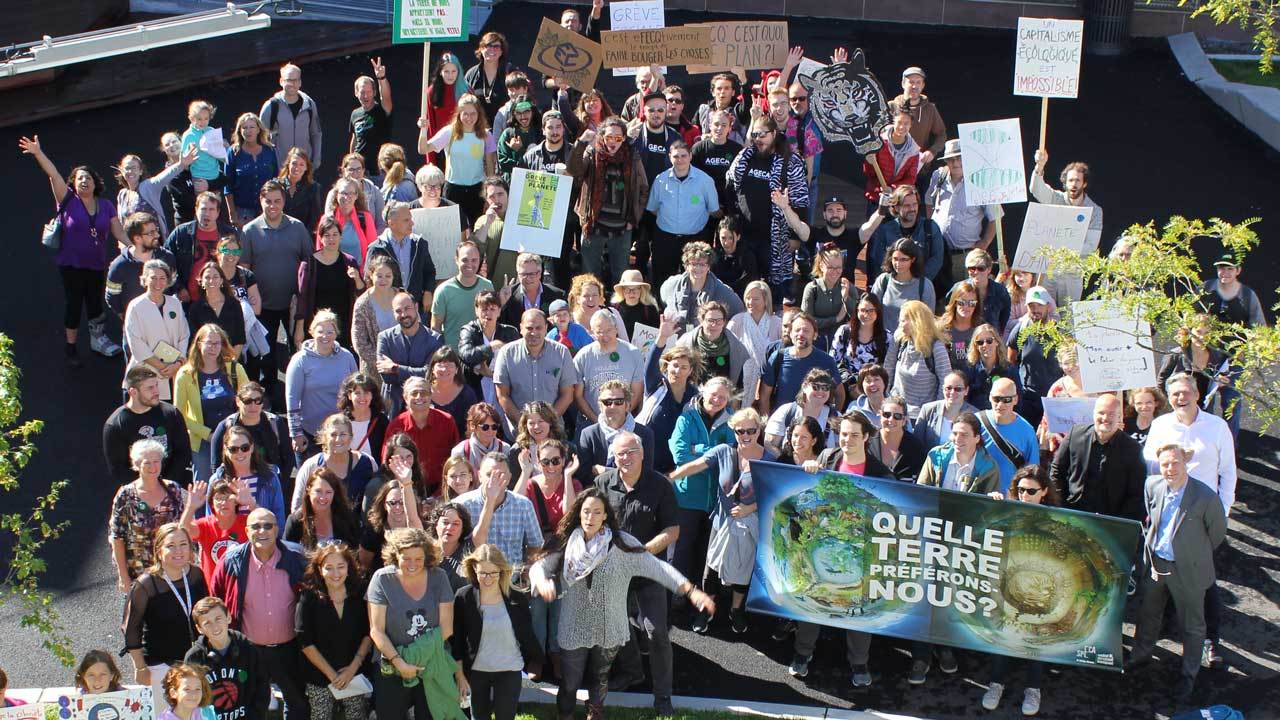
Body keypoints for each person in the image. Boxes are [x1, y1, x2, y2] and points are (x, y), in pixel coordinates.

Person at [532, 484, 710, 718]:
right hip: (574, 626)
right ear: (578, 513)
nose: (590, 517)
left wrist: (691, 591)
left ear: (606, 515)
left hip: (609, 628)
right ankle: (565, 715)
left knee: (599, 678)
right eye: (586, 511)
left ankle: (595, 714)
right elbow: (539, 566)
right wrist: (542, 580)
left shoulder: (622, 544)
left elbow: (658, 568)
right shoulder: (566, 543)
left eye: (597, 512)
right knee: (570, 682)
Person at [790, 413, 886, 682]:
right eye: (844, 433)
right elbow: (808, 490)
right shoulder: (827, 459)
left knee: (859, 608)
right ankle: (802, 653)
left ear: (866, 437)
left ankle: (859, 664)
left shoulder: (880, 473)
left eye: (854, 434)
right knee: (813, 600)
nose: (848, 439)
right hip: (822, 544)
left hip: (861, 551)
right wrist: (809, 467)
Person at [1128, 444, 1227, 704]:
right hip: (1157, 564)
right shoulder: (1153, 486)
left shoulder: (1205, 497)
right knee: (1148, 614)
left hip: (1189, 571)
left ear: (1185, 463)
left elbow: (1216, 534)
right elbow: (1152, 515)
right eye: (1164, 464)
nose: (1169, 469)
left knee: (1192, 626)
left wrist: (1191, 554)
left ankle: (1189, 675)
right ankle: (1139, 660)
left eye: (1175, 463)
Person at [19, 136, 128, 363]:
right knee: (74, 303)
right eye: (79, 178)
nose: (84, 181)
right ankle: (71, 347)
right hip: (71, 264)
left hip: (96, 264)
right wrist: (38, 152)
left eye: (88, 178)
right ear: (74, 183)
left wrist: (136, 248)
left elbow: (118, 232)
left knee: (95, 303)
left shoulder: (106, 205)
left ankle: (98, 341)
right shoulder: (67, 199)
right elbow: (53, 174)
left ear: (95, 182)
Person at [670, 407, 771, 635]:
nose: (745, 435)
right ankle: (706, 610)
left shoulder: (769, 458)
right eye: (739, 431)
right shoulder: (723, 451)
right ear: (733, 431)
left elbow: (775, 494)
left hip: (750, 526)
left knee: (743, 570)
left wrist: (750, 508)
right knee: (711, 570)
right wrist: (670, 477)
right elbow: (695, 466)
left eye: (751, 430)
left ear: (759, 430)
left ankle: (736, 610)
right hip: (721, 523)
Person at [208, 508, 310, 720]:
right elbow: (215, 599)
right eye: (255, 526)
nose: (262, 530)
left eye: (268, 525)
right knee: (247, 706)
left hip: (289, 649)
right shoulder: (230, 561)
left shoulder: (297, 558)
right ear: (246, 530)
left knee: (298, 704)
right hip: (248, 650)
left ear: (277, 529)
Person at [366, 527, 469, 720]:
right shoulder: (381, 579)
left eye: (418, 559)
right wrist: (400, 663)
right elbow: (376, 630)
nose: (412, 564)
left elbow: (446, 629)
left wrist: (415, 657)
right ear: (396, 555)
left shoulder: (439, 577)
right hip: (391, 664)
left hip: (432, 663)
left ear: (427, 557)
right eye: (406, 558)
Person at [980, 464, 1057, 716]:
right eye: (1020, 490)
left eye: (1032, 491)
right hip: (1007, 586)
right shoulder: (1007, 511)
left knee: (1035, 639)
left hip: (1039, 589)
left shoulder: (1056, 519)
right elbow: (982, 527)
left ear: (1044, 491)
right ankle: (996, 684)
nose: (1025, 495)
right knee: (1004, 636)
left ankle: (1033, 688)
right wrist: (993, 503)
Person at [452, 545, 544, 720]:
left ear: (501, 571)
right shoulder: (464, 597)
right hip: (477, 671)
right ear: (474, 569)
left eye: (493, 573)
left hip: (509, 669)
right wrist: (460, 675)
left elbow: (526, 635)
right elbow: (457, 641)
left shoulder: (516, 598)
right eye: (483, 573)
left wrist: (537, 660)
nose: (487, 579)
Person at [121, 523, 208, 709]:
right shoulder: (146, 585)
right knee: (166, 713)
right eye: (171, 545)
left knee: (197, 713)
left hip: (195, 662)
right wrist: (140, 667)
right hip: (161, 666)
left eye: (183, 544)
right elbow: (131, 630)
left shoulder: (196, 575)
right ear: (159, 551)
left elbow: (205, 615)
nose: (178, 551)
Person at [241, 179, 313, 403]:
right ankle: (269, 399)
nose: (273, 206)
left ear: (284, 202)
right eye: (268, 201)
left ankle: (302, 395)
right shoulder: (249, 230)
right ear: (260, 201)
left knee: (299, 351)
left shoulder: (297, 227)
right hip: (263, 306)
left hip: (292, 305)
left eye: (277, 201)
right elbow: (244, 269)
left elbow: (308, 261)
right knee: (266, 355)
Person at [726, 115, 809, 299]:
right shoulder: (744, 158)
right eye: (754, 134)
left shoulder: (791, 162)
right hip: (746, 235)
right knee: (748, 290)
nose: (758, 139)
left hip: (776, 239)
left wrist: (796, 237)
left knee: (775, 293)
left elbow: (801, 201)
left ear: (773, 134)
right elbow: (730, 187)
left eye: (762, 135)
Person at [669, 377, 737, 585]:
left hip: (714, 503)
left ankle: (698, 607)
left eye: (723, 397)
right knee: (682, 553)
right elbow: (680, 455)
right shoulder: (686, 418)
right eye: (713, 394)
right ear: (703, 391)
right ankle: (676, 602)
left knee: (705, 557)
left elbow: (731, 456)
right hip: (687, 499)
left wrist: (696, 449)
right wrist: (715, 454)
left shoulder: (732, 421)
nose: (716, 400)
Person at [295, 543, 372, 720]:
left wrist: (352, 669)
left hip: (353, 671)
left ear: (349, 567)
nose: (336, 574)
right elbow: (304, 640)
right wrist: (332, 675)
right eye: (329, 568)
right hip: (319, 674)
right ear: (319, 569)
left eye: (341, 567)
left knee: (357, 716)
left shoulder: (360, 592)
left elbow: (370, 632)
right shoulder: (309, 595)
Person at [1142, 373, 1236, 516]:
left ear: (1197, 394)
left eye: (1186, 392)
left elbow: (1228, 471)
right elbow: (1150, 469)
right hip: (1168, 507)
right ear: (1169, 398)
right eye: (1175, 394)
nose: (1181, 398)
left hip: (1205, 508)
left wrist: (1223, 509)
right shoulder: (1159, 425)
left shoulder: (1218, 427)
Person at [1048, 394, 1146, 522]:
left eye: (1111, 414)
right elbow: (1056, 471)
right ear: (1093, 414)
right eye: (1101, 413)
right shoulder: (1075, 435)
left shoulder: (1133, 449)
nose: (1105, 418)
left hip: (1110, 520)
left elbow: (1136, 493)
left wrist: (1120, 522)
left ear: (1119, 417)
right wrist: (1060, 505)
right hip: (1072, 513)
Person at [174, 324, 250, 484]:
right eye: (209, 343)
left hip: (234, 440)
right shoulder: (185, 375)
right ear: (199, 343)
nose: (213, 348)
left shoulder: (235, 369)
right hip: (202, 442)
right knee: (204, 488)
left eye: (217, 343)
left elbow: (249, 402)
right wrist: (208, 434)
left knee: (236, 486)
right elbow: (178, 415)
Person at [110, 439, 190, 590]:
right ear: (137, 464)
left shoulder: (173, 489)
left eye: (156, 461)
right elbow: (116, 537)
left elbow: (182, 528)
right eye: (147, 463)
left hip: (171, 570)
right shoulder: (125, 495)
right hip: (139, 574)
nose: (153, 467)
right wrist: (123, 576)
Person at [1030, 149, 1103, 306]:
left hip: (1072, 273)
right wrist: (1039, 166)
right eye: (1070, 181)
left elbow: (1090, 246)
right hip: (1048, 270)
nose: (1073, 185)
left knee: (1068, 317)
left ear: (1084, 183)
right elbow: (1036, 189)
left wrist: (1061, 249)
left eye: (1077, 181)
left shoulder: (1095, 210)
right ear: (1065, 182)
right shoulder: (1056, 198)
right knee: (1042, 312)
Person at [925, 139, 998, 290]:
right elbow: (928, 202)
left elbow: (995, 218)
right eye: (951, 159)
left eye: (959, 158)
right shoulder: (938, 176)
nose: (956, 162)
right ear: (946, 161)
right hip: (938, 253)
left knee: (965, 297)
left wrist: (984, 243)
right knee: (938, 296)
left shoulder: (980, 182)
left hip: (965, 255)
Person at [286, 310, 359, 456]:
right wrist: (296, 434)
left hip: (341, 434)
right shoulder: (300, 360)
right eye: (320, 331)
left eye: (330, 331)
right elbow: (292, 399)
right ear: (312, 332)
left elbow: (356, 391)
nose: (325, 336)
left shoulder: (347, 357)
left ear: (336, 333)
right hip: (310, 433)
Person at [185, 597, 271, 720]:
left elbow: (262, 688)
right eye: (207, 623)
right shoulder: (194, 657)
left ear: (228, 617)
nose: (214, 626)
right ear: (199, 629)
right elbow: (189, 698)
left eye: (218, 619)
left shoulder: (249, 649)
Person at [647, 141, 720, 284]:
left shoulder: (705, 181)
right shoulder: (660, 180)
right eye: (676, 156)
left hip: (695, 239)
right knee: (662, 281)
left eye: (683, 156)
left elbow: (713, 210)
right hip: (665, 239)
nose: (680, 160)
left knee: (695, 281)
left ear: (691, 156)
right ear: (669, 157)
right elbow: (653, 209)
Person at [104, 366, 193, 484]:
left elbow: (183, 453)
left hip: (173, 485)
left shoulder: (171, 413)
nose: (156, 391)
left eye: (156, 385)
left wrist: (166, 485)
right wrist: (148, 487)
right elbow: (118, 468)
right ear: (133, 392)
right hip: (139, 491)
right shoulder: (116, 424)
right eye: (150, 388)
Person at [419, 94, 497, 224]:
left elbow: (490, 168)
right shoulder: (449, 132)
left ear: (479, 114)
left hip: (477, 190)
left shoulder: (486, 135)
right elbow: (423, 149)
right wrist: (423, 130)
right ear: (459, 114)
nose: (469, 118)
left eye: (473, 114)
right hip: (453, 190)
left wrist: (490, 195)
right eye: (465, 114)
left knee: (476, 230)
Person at [494, 309, 580, 425]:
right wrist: (524, 424)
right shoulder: (506, 353)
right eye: (529, 328)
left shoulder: (561, 352)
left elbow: (567, 394)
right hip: (517, 432)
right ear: (521, 328)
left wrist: (546, 423)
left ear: (546, 328)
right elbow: (502, 395)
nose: (534, 333)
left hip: (552, 431)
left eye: (538, 328)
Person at [457, 453, 544, 565]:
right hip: (475, 578)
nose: (494, 480)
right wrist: (490, 499)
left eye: (501, 475)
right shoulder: (462, 505)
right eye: (489, 474)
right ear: (479, 476)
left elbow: (536, 545)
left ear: (509, 478)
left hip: (512, 578)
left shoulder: (523, 505)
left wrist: (526, 572)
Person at [123, 259, 190, 402]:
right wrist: (163, 367)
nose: (158, 283)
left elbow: (184, 336)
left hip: (173, 374)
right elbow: (136, 343)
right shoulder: (136, 306)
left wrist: (177, 364)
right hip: (145, 374)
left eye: (162, 278)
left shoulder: (175, 303)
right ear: (145, 279)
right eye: (153, 278)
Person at [209, 381, 293, 488]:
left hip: (269, 487)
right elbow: (215, 464)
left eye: (258, 400)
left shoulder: (275, 423)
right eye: (248, 401)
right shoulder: (225, 426)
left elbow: (288, 457)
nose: (253, 405)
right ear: (238, 401)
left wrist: (280, 485)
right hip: (235, 487)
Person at [106, 212, 180, 329]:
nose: (157, 235)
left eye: (156, 230)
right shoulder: (119, 266)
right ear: (137, 238)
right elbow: (112, 297)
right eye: (151, 233)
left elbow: (173, 286)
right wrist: (126, 317)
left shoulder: (167, 258)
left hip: (166, 324)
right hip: (136, 326)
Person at [377, 291, 445, 417]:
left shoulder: (435, 339)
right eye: (398, 311)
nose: (404, 314)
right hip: (393, 406)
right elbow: (386, 377)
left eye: (407, 308)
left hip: (423, 404)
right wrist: (417, 371)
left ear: (416, 307)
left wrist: (395, 368)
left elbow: (430, 374)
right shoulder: (385, 338)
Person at [758, 312, 840, 416]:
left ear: (815, 335)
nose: (801, 334)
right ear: (791, 333)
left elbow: (840, 395)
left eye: (806, 331)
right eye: (797, 330)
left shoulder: (826, 361)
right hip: (783, 424)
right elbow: (764, 396)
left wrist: (831, 420)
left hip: (816, 426)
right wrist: (767, 425)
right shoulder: (778, 357)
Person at [860, 185, 943, 287]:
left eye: (915, 204)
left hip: (922, 287)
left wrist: (917, 282)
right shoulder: (885, 230)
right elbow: (880, 262)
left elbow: (937, 259)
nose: (912, 209)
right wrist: (897, 282)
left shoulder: (930, 227)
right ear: (896, 207)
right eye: (907, 205)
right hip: (893, 287)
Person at [639, 336, 701, 473]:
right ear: (667, 366)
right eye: (675, 365)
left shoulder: (695, 396)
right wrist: (662, 336)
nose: (678, 371)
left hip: (678, 464)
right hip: (648, 459)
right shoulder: (656, 385)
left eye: (684, 367)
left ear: (690, 371)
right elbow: (650, 364)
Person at [389, 377, 461, 495]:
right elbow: (388, 464)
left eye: (424, 393)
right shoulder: (396, 426)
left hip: (442, 489)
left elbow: (455, 462)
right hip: (406, 488)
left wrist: (439, 495)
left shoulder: (447, 421)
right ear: (405, 397)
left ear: (431, 395)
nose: (419, 397)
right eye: (414, 393)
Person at [365, 202, 438, 313]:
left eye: (410, 219)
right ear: (392, 223)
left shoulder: (419, 244)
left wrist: (428, 292)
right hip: (388, 309)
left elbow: (430, 272)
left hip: (416, 307)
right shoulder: (377, 248)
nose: (412, 223)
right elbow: (368, 279)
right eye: (406, 220)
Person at [1157, 314, 1234, 420]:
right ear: (1189, 331)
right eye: (1198, 331)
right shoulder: (1176, 354)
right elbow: (1161, 382)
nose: (1201, 337)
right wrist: (1173, 402)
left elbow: (1222, 376)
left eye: (1207, 333)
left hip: (1204, 412)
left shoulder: (1217, 355)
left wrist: (1221, 381)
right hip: (1178, 412)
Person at [573, 310, 645, 423]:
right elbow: (578, 396)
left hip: (625, 421)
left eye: (609, 330)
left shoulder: (633, 353)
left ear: (616, 329)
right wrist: (597, 422)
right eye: (599, 332)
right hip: (591, 421)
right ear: (592, 332)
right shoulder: (583, 356)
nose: (604, 336)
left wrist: (621, 419)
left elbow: (637, 393)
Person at [577, 380, 656, 482]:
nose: (612, 406)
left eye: (618, 402)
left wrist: (605, 471)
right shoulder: (588, 434)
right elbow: (584, 477)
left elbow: (645, 475)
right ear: (600, 406)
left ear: (627, 405)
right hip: (599, 494)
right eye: (607, 402)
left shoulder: (645, 434)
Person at [885, 300, 952, 419]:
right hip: (897, 412)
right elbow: (888, 367)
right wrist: (886, 398)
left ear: (917, 321)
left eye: (903, 321)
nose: (899, 324)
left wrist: (936, 414)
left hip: (922, 415)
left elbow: (945, 382)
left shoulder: (936, 347)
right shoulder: (899, 340)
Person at [659, 241, 746, 331]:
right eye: (693, 264)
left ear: (708, 266)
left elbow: (740, 314)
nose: (698, 268)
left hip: (707, 342)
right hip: (675, 341)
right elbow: (663, 303)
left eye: (702, 264)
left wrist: (720, 328)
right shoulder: (670, 286)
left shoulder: (723, 291)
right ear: (686, 266)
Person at [209, 424, 288, 523]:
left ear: (252, 447)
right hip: (228, 538)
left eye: (244, 447)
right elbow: (211, 522)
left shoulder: (270, 478)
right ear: (225, 450)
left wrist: (252, 504)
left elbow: (278, 521)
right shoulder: (217, 480)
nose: (240, 453)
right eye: (233, 449)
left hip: (260, 537)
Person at [778, 194, 860, 286]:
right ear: (824, 215)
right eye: (830, 210)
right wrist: (785, 208)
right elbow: (798, 226)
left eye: (839, 210)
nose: (835, 214)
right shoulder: (815, 234)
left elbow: (870, 227)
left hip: (845, 290)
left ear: (845, 213)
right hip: (818, 292)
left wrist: (880, 210)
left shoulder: (854, 236)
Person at [116, 148, 197, 241]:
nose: (130, 171)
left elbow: (162, 177)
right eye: (127, 168)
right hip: (132, 246)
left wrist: (181, 164)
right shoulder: (122, 195)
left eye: (134, 168)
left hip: (154, 242)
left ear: (140, 171)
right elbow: (121, 225)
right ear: (122, 171)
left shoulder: (148, 186)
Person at [180, 477, 254, 579]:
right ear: (212, 504)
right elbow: (182, 533)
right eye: (219, 498)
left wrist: (251, 503)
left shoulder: (247, 522)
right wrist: (190, 507)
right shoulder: (205, 525)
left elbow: (268, 527)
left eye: (228, 498)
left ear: (236, 501)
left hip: (242, 586)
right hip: (213, 590)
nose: (224, 503)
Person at [977, 378, 1040, 493]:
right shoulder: (976, 421)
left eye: (1006, 400)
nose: (1000, 404)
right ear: (990, 397)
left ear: (1015, 400)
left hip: (1008, 500)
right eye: (996, 399)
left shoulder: (1027, 431)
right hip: (976, 493)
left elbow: (1032, 472)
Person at [459, 290, 520, 409]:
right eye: (484, 309)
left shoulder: (510, 332)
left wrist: (495, 375)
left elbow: (519, 361)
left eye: (492, 309)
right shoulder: (469, 330)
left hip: (504, 387)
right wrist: (492, 346)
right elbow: (466, 354)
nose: (488, 313)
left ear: (499, 311)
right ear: (476, 311)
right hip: (475, 387)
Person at [260, 63, 323, 170]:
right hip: (279, 169)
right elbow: (260, 138)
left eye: (295, 80)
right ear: (281, 81)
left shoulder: (310, 105)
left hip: (304, 168)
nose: (292, 84)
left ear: (300, 82)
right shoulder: (271, 106)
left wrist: (316, 160)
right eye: (288, 80)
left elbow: (316, 134)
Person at [894, 66, 946, 195]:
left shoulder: (930, 109)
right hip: (894, 169)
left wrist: (932, 151)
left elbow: (941, 134)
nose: (914, 86)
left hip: (919, 169)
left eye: (918, 82)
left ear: (923, 85)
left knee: (915, 208)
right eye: (911, 82)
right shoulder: (891, 106)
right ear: (903, 83)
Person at [728, 280, 781, 408]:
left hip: (768, 377)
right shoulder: (737, 320)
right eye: (748, 298)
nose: (750, 302)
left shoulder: (776, 323)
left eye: (755, 299)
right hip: (740, 377)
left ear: (765, 300)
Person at [360, 468, 426, 569]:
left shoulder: (422, 527)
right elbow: (365, 563)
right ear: (384, 505)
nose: (398, 507)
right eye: (392, 503)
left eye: (402, 502)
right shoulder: (373, 532)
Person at [675, 301, 749, 390]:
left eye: (719, 321)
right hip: (690, 398)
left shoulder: (736, 347)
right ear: (701, 320)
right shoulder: (685, 343)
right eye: (710, 320)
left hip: (721, 399)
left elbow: (738, 386)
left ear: (724, 322)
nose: (714, 325)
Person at [431, 241, 492, 348]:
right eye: (465, 260)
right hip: (453, 358)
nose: (470, 264)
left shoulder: (487, 286)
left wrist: (502, 300)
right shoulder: (443, 290)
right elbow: (435, 328)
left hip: (481, 356)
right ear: (456, 260)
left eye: (474, 260)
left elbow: (492, 318)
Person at [918, 412, 1000, 492]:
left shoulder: (989, 467)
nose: (957, 439)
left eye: (964, 435)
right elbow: (920, 491)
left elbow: (989, 502)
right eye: (955, 433)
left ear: (977, 438)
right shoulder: (935, 456)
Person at [862, 102, 920, 214]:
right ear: (893, 122)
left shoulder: (914, 150)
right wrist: (868, 162)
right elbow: (869, 174)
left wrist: (893, 189)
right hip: (876, 197)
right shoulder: (878, 143)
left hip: (898, 202)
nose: (902, 127)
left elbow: (910, 178)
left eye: (906, 123)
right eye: (899, 122)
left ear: (911, 125)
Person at [763, 369, 837, 454]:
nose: (820, 391)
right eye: (815, 387)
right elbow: (769, 444)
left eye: (825, 387)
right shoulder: (786, 411)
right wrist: (790, 463)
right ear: (804, 387)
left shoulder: (835, 416)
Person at [224, 113, 279, 226]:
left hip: (266, 209)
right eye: (244, 127)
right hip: (242, 212)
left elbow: (276, 180)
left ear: (259, 129)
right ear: (240, 131)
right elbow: (227, 186)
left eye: (252, 127)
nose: (248, 131)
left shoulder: (270, 150)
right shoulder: (233, 152)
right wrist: (232, 213)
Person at [832, 294, 891, 400]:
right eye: (862, 310)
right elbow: (832, 361)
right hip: (848, 389)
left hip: (874, 390)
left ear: (878, 312)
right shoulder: (844, 331)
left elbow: (888, 367)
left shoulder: (887, 337)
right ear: (857, 311)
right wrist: (851, 384)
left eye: (871, 310)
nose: (866, 314)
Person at [284, 469, 360, 550]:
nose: (323, 497)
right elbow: (286, 553)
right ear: (308, 490)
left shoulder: (347, 518)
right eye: (318, 491)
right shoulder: (295, 521)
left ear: (335, 493)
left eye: (328, 492)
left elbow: (354, 553)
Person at [871, 238, 936, 332]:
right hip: (885, 340)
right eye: (895, 259)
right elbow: (872, 309)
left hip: (912, 342)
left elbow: (929, 321)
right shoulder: (883, 280)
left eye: (903, 260)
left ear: (913, 259)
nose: (898, 264)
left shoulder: (925, 285)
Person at [801, 246, 857, 349]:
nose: (835, 271)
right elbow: (807, 321)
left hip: (841, 341)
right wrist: (835, 319)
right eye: (830, 267)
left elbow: (858, 316)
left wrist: (846, 298)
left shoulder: (848, 286)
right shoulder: (812, 288)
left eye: (838, 267)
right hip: (816, 341)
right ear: (821, 266)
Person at [352, 256, 400, 376]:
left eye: (388, 276)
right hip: (374, 370)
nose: (383, 280)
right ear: (371, 275)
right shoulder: (363, 303)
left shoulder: (402, 297)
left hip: (401, 365)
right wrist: (382, 363)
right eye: (379, 276)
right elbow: (359, 342)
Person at [692, 109, 745, 217]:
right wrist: (708, 205)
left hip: (728, 205)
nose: (719, 128)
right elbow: (691, 181)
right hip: (702, 205)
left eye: (724, 125)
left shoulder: (737, 150)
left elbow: (740, 182)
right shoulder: (699, 149)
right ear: (710, 125)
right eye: (716, 124)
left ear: (730, 128)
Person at [187, 262, 246, 355]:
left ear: (221, 281)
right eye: (207, 277)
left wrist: (231, 363)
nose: (211, 281)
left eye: (215, 277)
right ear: (201, 282)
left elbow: (240, 339)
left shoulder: (234, 304)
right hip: (206, 361)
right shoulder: (195, 308)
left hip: (232, 359)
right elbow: (194, 341)